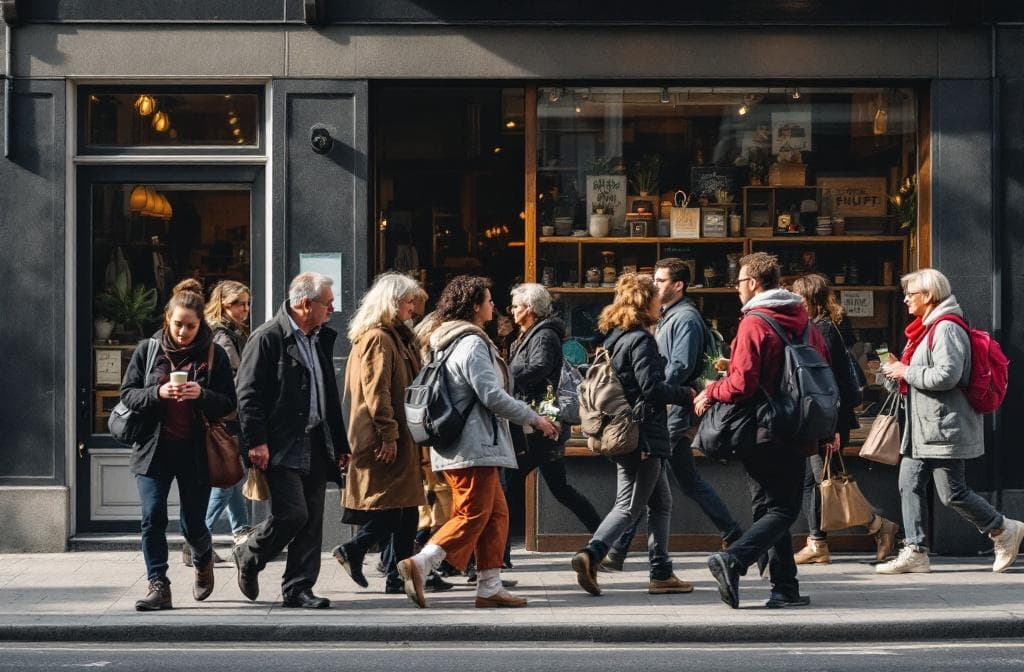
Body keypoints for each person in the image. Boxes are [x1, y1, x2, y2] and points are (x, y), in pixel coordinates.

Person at [397, 275, 559, 609]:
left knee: (496, 515)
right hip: (474, 445)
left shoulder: (447, 340)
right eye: (488, 300)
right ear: (474, 307)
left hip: (468, 444)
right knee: (473, 513)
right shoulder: (471, 343)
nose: (494, 306)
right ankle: (421, 563)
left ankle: (489, 586)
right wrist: (534, 418)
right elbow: (491, 395)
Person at [696, 252, 829, 609]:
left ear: (753, 283)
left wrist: (711, 390)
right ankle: (783, 587)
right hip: (797, 427)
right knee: (777, 508)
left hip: (762, 430)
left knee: (778, 509)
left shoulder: (754, 323)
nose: (736, 289)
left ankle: (735, 560)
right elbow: (823, 372)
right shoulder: (804, 323)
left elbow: (742, 384)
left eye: (739, 282)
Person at [877, 268, 1023, 574]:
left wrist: (906, 371)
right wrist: (894, 372)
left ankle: (1003, 528)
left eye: (910, 294)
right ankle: (916, 550)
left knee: (952, 492)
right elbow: (918, 378)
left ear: (928, 295)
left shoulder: (946, 328)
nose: (905, 299)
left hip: (943, 427)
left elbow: (947, 375)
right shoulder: (924, 329)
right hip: (922, 429)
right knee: (908, 484)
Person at [602, 259, 742, 572]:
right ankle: (731, 533)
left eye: (661, 280)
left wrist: (657, 390)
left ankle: (614, 550)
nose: (655, 285)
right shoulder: (666, 316)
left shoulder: (686, 318)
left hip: (672, 413)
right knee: (682, 481)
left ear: (678, 285)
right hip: (665, 410)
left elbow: (679, 366)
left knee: (649, 482)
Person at [569, 273, 695, 597]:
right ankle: (592, 553)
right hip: (642, 436)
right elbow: (651, 389)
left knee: (661, 502)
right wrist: (686, 394)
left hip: (630, 433)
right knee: (627, 506)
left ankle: (661, 572)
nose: (659, 302)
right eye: (655, 296)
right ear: (646, 302)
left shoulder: (616, 338)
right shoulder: (641, 340)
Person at [233, 272, 350, 609]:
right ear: (306, 304)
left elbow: (329, 397)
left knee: (312, 518)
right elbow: (248, 395)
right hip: (280, 442)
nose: (332, 309)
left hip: (316, 440)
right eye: (328, 303)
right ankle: (250, 553)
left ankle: (298, 588)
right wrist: (256, 441)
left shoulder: (318, 338)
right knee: (293, 514)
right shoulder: (268, 337)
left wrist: (340, 444)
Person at [122, 279, 237, 611]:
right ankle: (158, 585)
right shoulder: (148, 350)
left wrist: (202, 395)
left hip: (195, 453)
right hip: (153, 451)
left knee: (193, 523)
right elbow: (128, 394)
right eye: (177, 324)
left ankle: (202, 557)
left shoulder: (213, 354)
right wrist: (157, 393)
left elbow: (229, 403)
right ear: (167, 319)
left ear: (200, 324)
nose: (183, 332)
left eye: (190, 326)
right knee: (152, 516)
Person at [790, 273, 899, 565]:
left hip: (829, 421)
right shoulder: (824, 327)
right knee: (817, 482)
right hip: (826, 420)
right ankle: (818, 542)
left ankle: (879, 525)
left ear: (811, 299)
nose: (794, 302)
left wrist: (830, 428)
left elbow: (828, 384)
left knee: (830, 482)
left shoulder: (823, 331)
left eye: (798, 297)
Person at [332, 273, 427, 595]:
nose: (413, 308)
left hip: (399, 435)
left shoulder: (394, 336)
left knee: (406, 507)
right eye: (408, 302)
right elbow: (377, 392)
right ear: (392, 303)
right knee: (396, 507)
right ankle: (355, 549)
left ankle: (394, 574)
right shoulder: (379, 338)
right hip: (386, 437)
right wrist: (388, 434)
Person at [506, 283, 602, 537]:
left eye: (515, 306)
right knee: (560, 489)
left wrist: (508, 381)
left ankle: (497, 553)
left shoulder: (543, 335)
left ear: (529, 308)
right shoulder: (528, 335)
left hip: (541, 425)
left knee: (507, 486)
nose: (511, 311)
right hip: (538, 423)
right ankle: (603, 537)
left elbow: (540, 368)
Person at [192, 280, 253, 560]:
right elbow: (236, 379)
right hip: (226, 415)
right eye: (239, 304)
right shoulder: (222, 336)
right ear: (223, 305)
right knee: (227, 477)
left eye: (247, 304)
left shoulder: (230, 333)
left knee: (233, 473)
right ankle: (196, 539)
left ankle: (241, 531)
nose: (245, 309)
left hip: (227, 413)